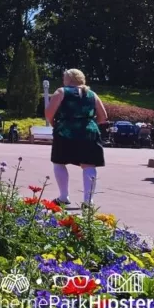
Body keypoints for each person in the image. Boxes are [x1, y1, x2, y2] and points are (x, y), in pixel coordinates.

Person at [44, 69, 108, 208]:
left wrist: (56, 124)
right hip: (89, 133)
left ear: (68, 79)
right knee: (89, 165)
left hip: (65, 132)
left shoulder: (61, 92)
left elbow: (49, 113)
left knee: (59, 162)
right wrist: (89, 124)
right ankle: (88, 201)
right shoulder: (92, 94)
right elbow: (103, 117)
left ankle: (63, 197)